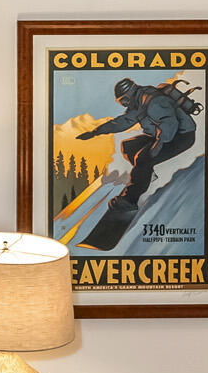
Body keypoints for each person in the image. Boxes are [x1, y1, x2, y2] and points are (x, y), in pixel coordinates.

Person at [77, 76, 200, 250]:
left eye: (124, 101)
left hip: (181, 136)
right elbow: (122, 122)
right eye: (121, 103)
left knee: (143, 158)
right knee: (128, 146)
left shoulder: (153, 101)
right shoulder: (138, 102)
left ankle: (129, 200)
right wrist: (95, 132)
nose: (124, 105)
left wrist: (157, 147)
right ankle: (146, 173)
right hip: (162, 135)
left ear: (130, 93)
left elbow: (169, 123)